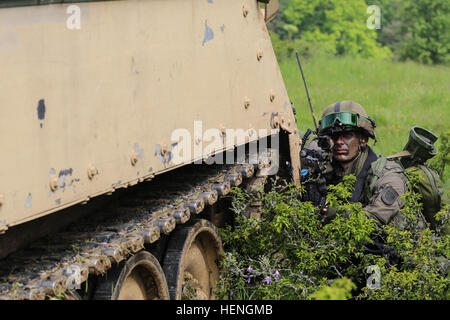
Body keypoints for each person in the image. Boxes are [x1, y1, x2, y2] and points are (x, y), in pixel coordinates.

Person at [306, 100, 426, 228]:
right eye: (334, 136)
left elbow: (374, 219)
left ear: (363, 140)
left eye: (347, 135)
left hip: (397, 244)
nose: (339, 141)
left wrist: (329, 211)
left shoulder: (387, 176)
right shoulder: (327, 169)